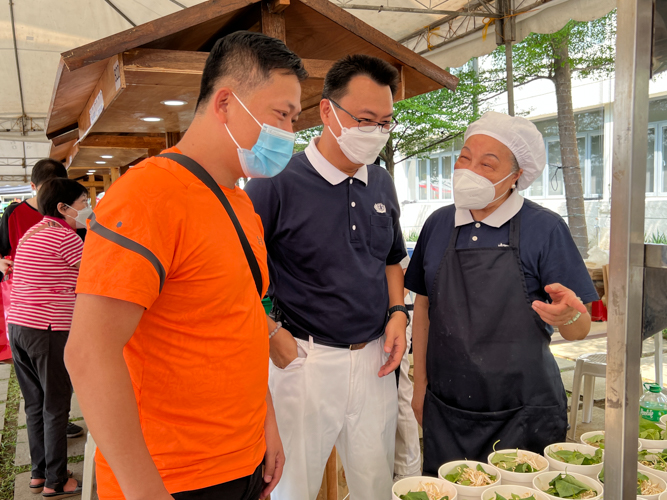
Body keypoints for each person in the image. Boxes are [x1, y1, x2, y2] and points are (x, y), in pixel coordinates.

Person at [64, 31, 307, 500]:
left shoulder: (241, 205)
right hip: (171, 477)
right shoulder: (146, 196)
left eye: (294, 119)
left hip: (243, 461)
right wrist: (145, 491)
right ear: (224, 104)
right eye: (281, 115)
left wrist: (266, 422)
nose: (289, 135)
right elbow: (88, 354)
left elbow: (241, 319)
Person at [245, 54, 408, 500]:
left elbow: (391, 258)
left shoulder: (381, 182)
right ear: (326, 111)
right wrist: (269, 330)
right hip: (305, 359)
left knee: (375, 484)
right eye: (365, 119)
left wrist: (398, 313)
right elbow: (237, 271)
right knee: (292, 486)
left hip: (375, 357)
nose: (375, 132)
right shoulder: (275, 181)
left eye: (385, 122)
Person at [406, 111, 599, 475]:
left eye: (487, 164)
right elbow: (424, 307)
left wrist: (570, 315)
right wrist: (420, 387)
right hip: (448, 409)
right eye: (465, 158)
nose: (469, 170)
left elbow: (579, 328)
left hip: (525, 411)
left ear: (516, 177)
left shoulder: (545, 228)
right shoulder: (438, 223)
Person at [8, 178, 90, 498]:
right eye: (83, 202)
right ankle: (57, 481)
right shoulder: (65, 238)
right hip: (48, 331)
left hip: (19, 328)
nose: (87, 208)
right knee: (56, 406)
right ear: (63, 207)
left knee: (35, 405)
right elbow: (96, 277)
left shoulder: (34, 232)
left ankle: (40, 473)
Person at [0, 159, 84, 439]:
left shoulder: (47, 230)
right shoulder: (16, 216)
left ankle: (42, 469)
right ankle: (53, 477)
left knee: (43, 398)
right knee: (52, 396)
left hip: (26, 321)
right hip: (38, 314)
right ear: (35, 188)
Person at [393, 253, 422, 481]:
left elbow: (404, 275)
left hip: (396, 315)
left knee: (399, 388)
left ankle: (408, 471)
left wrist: (391, 310)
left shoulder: (384, 219)